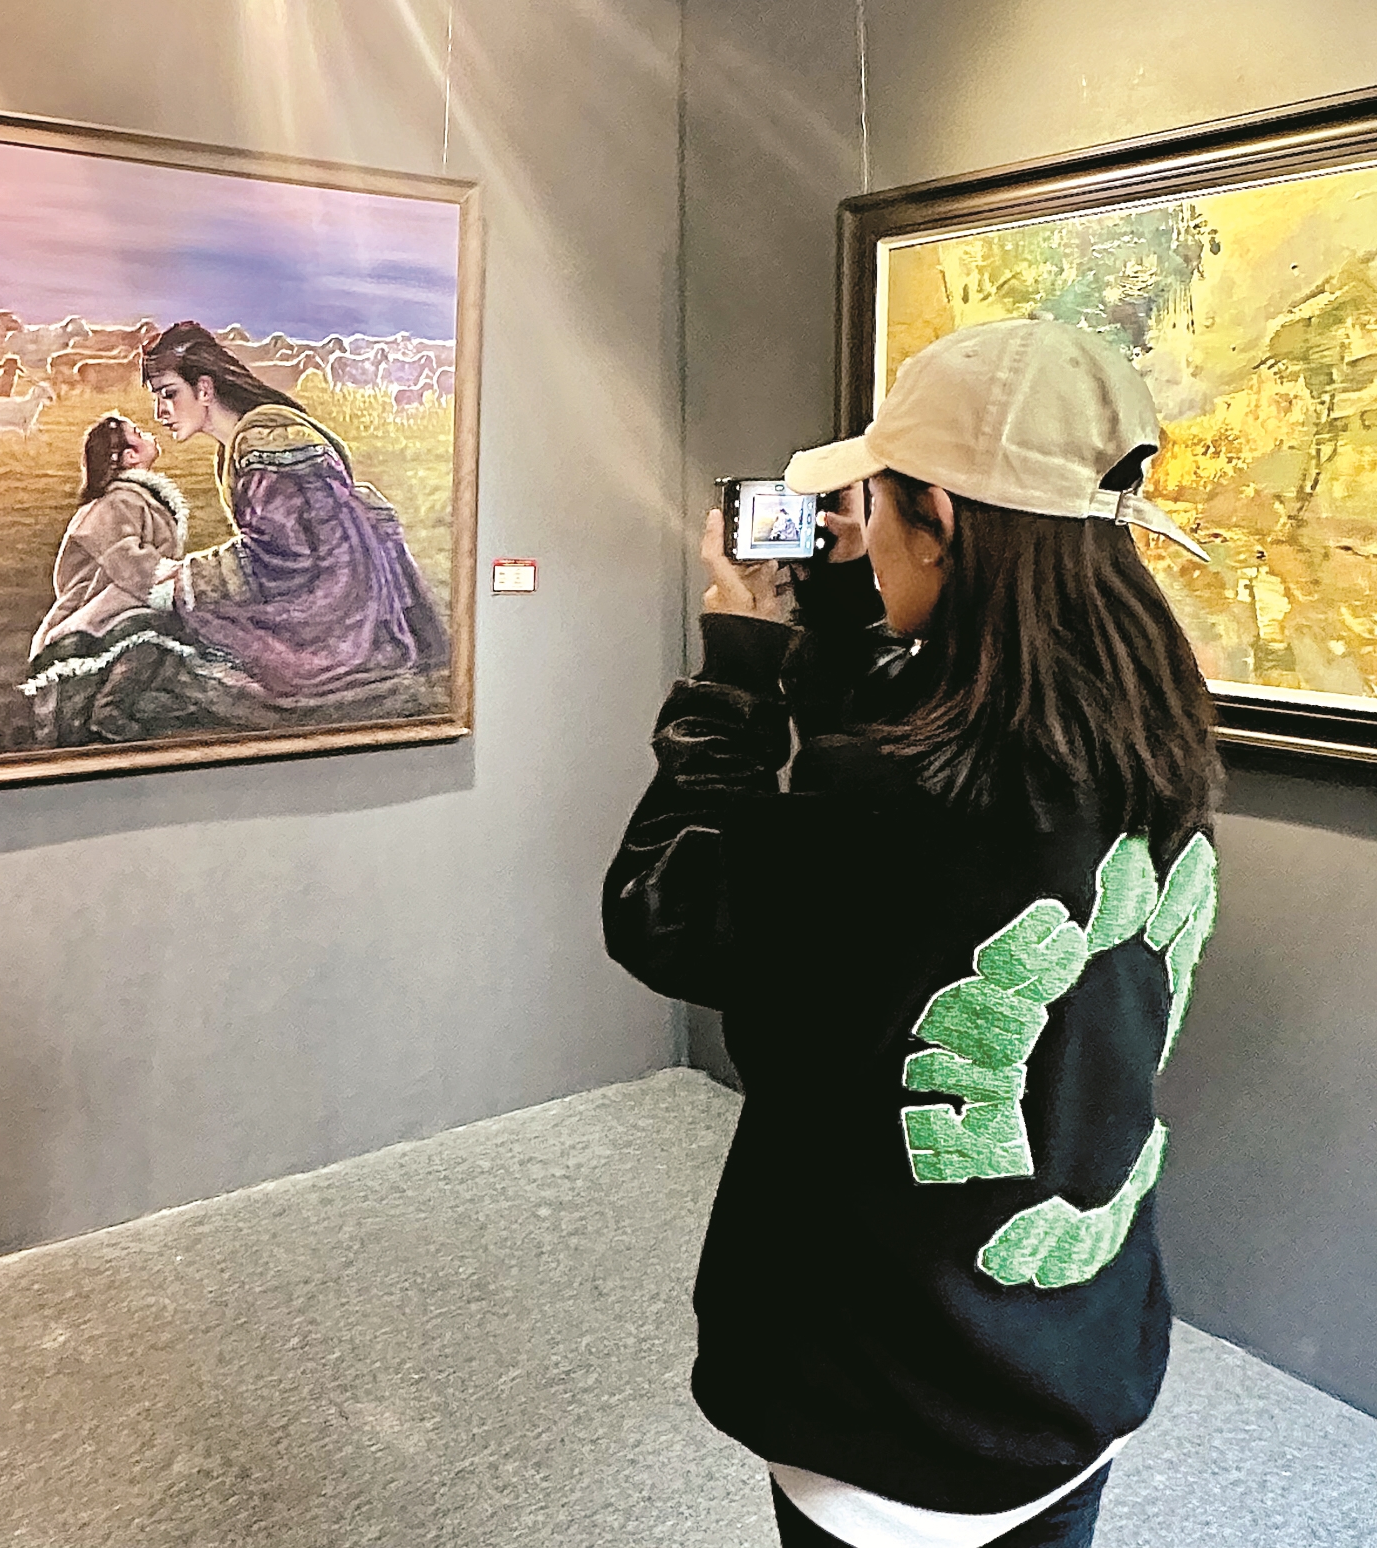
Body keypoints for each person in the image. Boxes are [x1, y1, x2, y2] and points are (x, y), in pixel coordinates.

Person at [603, 319, 1223, 1548]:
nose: (863, 525)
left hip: (889, 1392)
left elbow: (662, 909)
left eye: (880, 502)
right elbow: (908, 815)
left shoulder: (897, 803)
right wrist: (848, 613)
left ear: (934, 514)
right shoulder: (1147, 731)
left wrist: (732, 674)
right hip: (1069, 1344)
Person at [143, 320, 449, 710]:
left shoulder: (266, 443)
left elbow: (286, 555)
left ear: (204, 389)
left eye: (169, 394)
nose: (160, 412)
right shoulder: (246, 441)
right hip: (330, 592)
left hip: (333, 608)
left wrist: (188, 578)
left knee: (182, 631)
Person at [29, 412, 186, 660]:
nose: (149, 434)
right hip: (99, 614)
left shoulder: (131, 498)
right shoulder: (117, 502)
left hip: (127, 600)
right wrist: (183, 583)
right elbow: (129, 562)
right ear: (130, 456)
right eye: (138, 433)